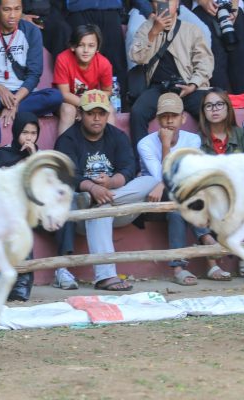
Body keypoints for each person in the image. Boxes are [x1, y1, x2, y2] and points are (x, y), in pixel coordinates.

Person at [53, 90, 157, 291]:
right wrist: (91, 187)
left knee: (150, 180)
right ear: (80, 114)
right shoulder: (68, 139)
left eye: (101, 113)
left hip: (118, 204)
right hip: (80, 214)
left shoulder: (117, 136)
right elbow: (67, 175)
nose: (97, 118)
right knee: (98, 210)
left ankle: (98, 199)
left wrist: (109, 184)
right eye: (91, 113)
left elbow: (129, 168)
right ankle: (105, 277)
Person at [138, 93, 232, 285]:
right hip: (155, 200)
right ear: (157, 120)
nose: (169, 120)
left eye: (174, 115)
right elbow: (163, 177)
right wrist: (165, 144)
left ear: (183, 118)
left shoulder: (192, 140)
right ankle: (207, 246)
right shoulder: (145, 143)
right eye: (164, 116)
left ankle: (179, 268)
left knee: (178, 209)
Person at [0, 0, 63, 156]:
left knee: (55, 96)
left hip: (23, 94)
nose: (13, 15)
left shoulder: (31, 32)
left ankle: (3, 110)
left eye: (17, 9)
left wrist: (14, 101)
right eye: (7, 10)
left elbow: (34, 74)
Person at [128, 0, 213, 154]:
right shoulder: (146, 28)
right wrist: (154, 31)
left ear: (177, 3)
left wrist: (193, 85)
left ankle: (212, 156)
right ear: (152, 5)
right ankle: (140, 164)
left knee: (212, 105)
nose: (164, 5)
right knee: (137, 112)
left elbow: (205, 62)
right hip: (158, 88)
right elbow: (137, 57)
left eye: (169, 1)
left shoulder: (191, 30)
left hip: (187, 87)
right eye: (159, 2)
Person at [0, 112, 40, 301]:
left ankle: (23, 282)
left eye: (33, 133)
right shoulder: (3, 154)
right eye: (25, 132)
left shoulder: (38, 155)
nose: (29, 137)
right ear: (16, 131)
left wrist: (34, 158)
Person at [53, 24, 115, 135]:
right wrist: (84, 106)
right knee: (68, 110)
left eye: (91, 46)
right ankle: (62, 151)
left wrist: (90, 106)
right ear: (73, 46)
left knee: (109, 109)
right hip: (67, 102)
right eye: (81, 45)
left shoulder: (104, 63)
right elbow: (64, 94)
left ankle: (111, 149)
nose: (86, 50)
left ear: (97, 48)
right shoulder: (63, 59)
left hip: (91, 102)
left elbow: (107, 91)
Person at [191, 0, 244, 95]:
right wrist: (203, 2)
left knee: (239, 55)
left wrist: (234, 8)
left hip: (234, 6)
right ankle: (218, 100)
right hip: (201, 7)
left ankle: (242, 99)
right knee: (215, 56)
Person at [198, 88, 244, 154]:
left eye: (219, 104)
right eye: (209, 106)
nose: (214, 109)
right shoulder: (196, 139)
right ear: (203, 111)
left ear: (228, 107)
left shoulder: (242, 134)